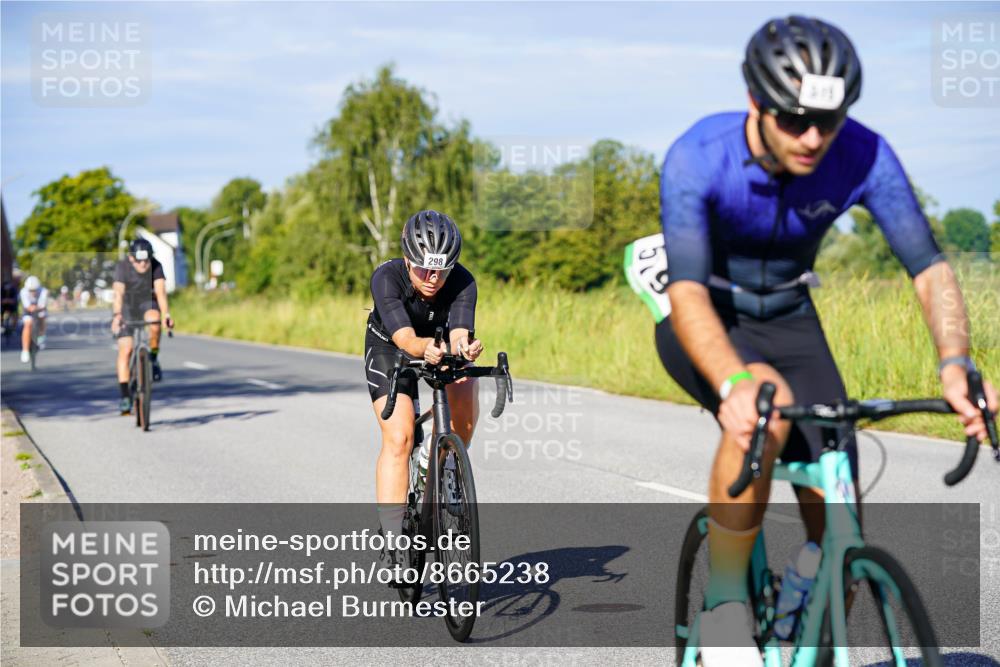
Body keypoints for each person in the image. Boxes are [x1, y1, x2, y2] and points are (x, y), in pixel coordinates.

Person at [652, 16, 998, 665]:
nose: (813, 138)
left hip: (789, 314)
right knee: (765, 408)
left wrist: (956, 362)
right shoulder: (699, 155)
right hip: (707, 313)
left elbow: (929, 267)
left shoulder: (863, 153)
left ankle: (807, 589)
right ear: (755, 102)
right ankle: (725, 608)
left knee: (841, 517)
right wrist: (734, 382)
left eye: (829, 121)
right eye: (794, 120)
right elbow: (687, 293)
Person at [365, 210, 483, 574]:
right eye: (424, 270)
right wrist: (424, 348)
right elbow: (405, 339)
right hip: (391, 347)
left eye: (442, 271)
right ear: (407, 258)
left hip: (439, 345)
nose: (434, 279)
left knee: (466, 386)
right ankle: (392, 538)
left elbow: (459, 331)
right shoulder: (386, 277)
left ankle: (445, 464)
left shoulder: (463, 280)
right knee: (399, 438)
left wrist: (464, 347)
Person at [111, 239, 174, 413]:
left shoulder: (156, 266)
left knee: (155, 321)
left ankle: (153, 357)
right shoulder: (123, 267)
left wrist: (166, 315)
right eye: (139, 261)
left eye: (147, 260)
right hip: (127, 306)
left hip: (147, 302)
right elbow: (118, 294)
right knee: (126, 350)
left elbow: (160, 292)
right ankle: (125, 396)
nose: (143, 264)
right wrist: (117, 316)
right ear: (131, 258)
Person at [19, 275, 48, 362]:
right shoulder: (23, 291)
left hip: (40, 310)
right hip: (28, 311)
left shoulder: (43, 291)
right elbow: (27, 306)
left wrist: (38, 308)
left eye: (34, 290)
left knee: (42, 317)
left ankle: (41, 336)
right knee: (28, 324)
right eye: (30, 290)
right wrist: (32, 308)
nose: (32, 292)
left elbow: (42, 305)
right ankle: (25, 350)